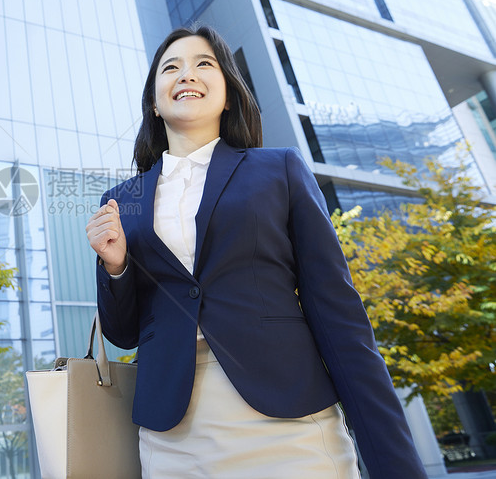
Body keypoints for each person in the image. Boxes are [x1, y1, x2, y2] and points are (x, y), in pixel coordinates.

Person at [85, 25, 427, 478]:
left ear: (227, 95)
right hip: (173, 441)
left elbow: (339, 316)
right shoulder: (122, 198)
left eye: (204, 64)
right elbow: (124, 333)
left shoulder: (278, 169)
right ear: (154, 100)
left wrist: (396, 466)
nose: (186, 74)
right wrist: (115, 267)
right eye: (172, 67)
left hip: (287, 423)